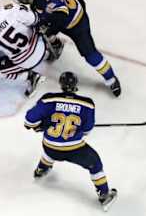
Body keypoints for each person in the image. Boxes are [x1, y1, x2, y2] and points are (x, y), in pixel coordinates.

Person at [24, 71, 118, 211]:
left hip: (50, 146)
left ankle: (40, 170)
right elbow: (87, 130)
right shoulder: (87, 104)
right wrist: (75, 129)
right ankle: (104, 195)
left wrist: (41, 125)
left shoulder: (48, 99)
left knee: (51, 150)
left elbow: (29, 121)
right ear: (75, 85)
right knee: (95, 164)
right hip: (74, 150)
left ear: (61, 84)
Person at [12, 0, 121, 97]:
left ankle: (112, 79)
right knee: (43, 30)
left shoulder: (44, 2)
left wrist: (49, 30)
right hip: (69, 11)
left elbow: (62, 16)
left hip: (78, 24)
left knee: (90, 54)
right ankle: (57, 45)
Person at [0, 2, 56, 97]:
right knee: (39, 23)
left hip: (26, 62)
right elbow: (34, 19)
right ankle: (54, 44)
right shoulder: (8, 10)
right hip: (40, 45)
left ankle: (30, 77)